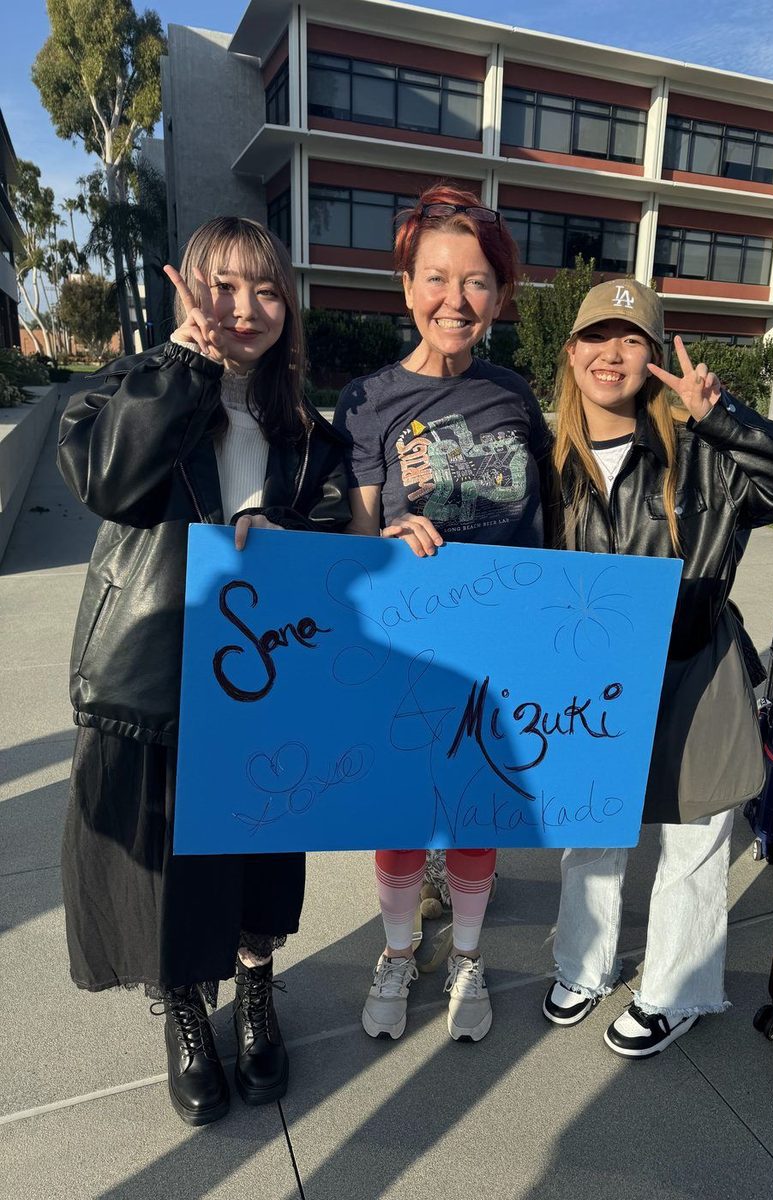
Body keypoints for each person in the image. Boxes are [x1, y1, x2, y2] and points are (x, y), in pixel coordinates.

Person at [58, 217, 350, 1125]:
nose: (246, 309)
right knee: (171, 872)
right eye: (222, 287)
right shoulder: (128, 385)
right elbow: (112, 481)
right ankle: (185, 1010)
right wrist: (182, 366)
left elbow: (338, 528)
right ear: (186, 288)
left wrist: (288, 536)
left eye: (267, 289)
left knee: (264, 853)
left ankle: (256, 991)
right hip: (154, 669)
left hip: (264, 679)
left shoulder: (304, 424)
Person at [541, 277, 773, 1056]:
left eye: (632, 340)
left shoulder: (707, 455)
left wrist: (723, 416)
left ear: (651, 356)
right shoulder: (548, 463)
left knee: (694, 838)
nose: (613, 354)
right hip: (589, 679)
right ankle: (582, 962)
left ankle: (676, 989)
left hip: (697, 665)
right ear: (570, 354)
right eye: (597, 337)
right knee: (593, 831)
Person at [332, 184, 555, 1043]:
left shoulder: (516, 399)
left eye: (475, 282)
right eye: (435, 277)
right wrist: (387, 533)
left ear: (498, 297)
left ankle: (465, 955)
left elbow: (547, 525)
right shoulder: (368, 401)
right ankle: (396, 952)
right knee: (395, 810)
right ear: (406, 285)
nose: (453, 300)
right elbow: (357, 533)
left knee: (476, 809)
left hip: (498, 640)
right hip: (407, 644)